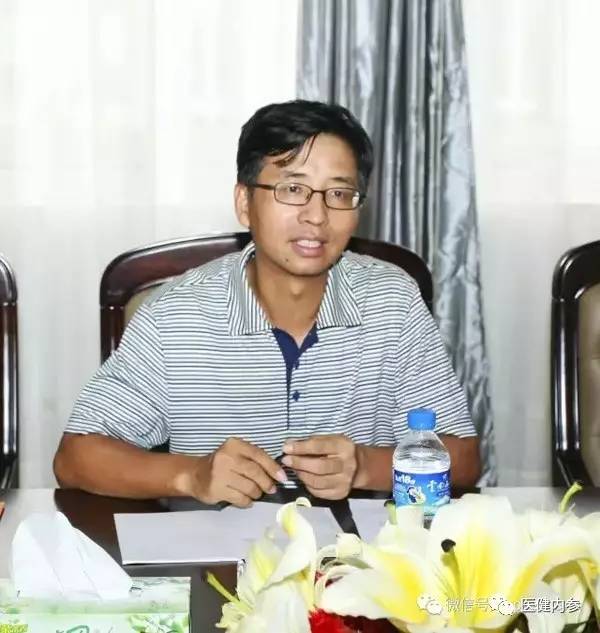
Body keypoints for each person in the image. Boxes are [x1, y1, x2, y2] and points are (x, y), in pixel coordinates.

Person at [54, 100, 480, 507]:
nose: (317, 216)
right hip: (214, 549)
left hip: (356, 552)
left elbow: (463, 459)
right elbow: (75, 457)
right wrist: (192, 475)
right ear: (244, 203)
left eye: (339, 194)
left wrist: (365, 467)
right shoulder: (176, 314)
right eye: (293, 189)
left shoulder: (391, 300)